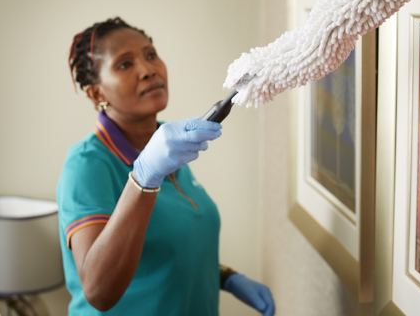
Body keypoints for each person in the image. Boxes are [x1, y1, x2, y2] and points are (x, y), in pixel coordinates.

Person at [56, 17, 275, 315]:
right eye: (124, 64)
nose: (148, 70)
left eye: (150, 55)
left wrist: (225, 275)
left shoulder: (169, 147)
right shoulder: (87, 165)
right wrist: (144, 177)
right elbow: (98, 292)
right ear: (97, 93)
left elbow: (170, 246)